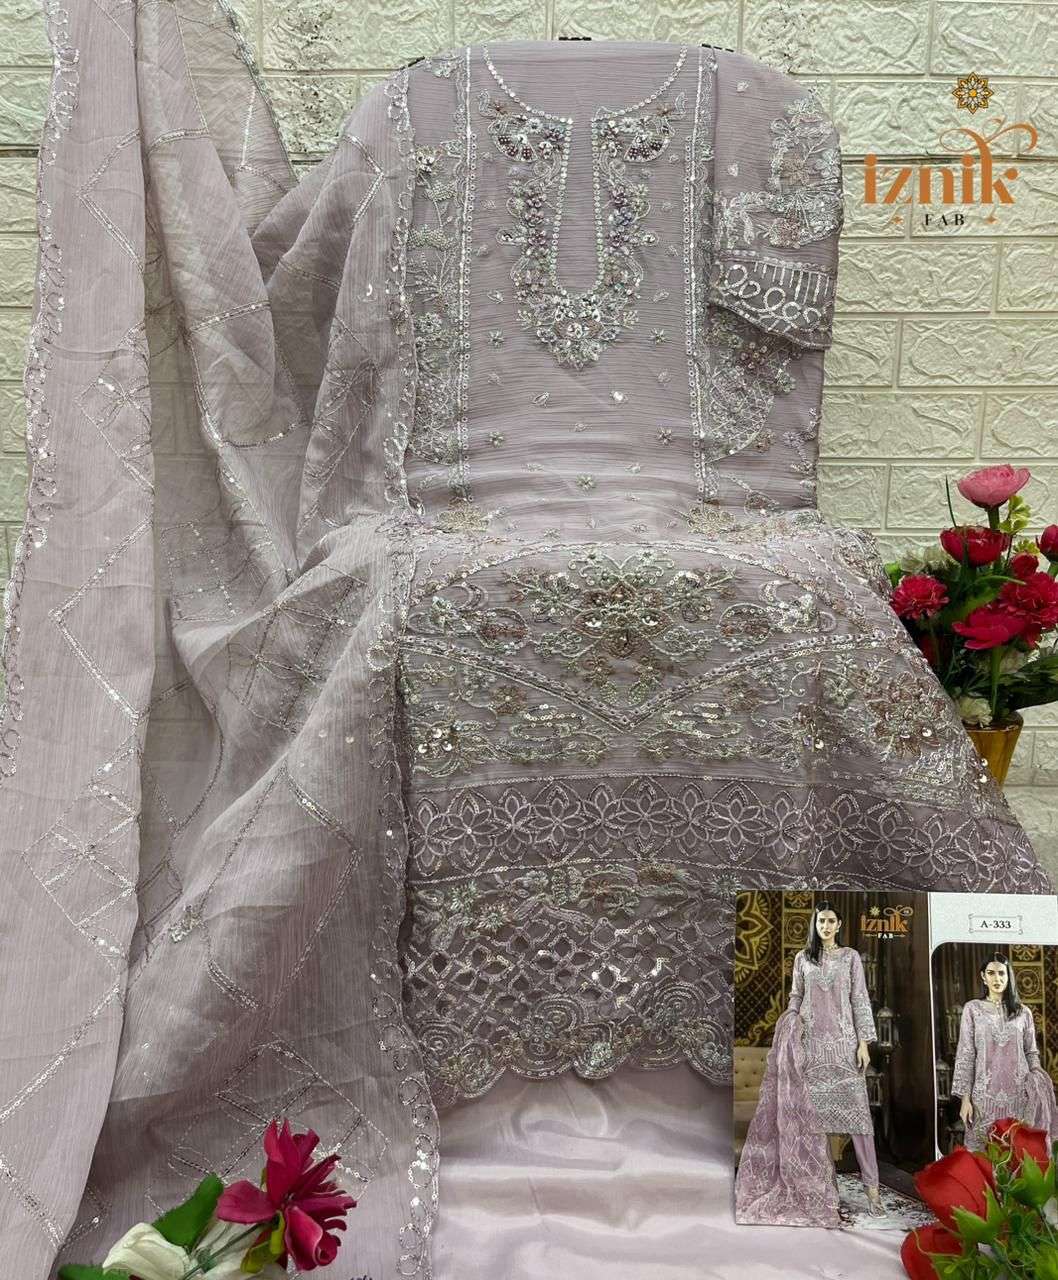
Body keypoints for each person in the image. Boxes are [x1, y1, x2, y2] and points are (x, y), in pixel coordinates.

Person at [787, 902, 885, 1216]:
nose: (825, 926)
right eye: (821, 921)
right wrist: (790, 1029)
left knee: (860, 1121)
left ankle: (872, 1191)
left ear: (839, 924)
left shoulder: (850, 957)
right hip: (811, 1047)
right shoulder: (803, 958)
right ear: (814, 924)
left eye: (830, 921)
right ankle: (827, 1187)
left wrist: (864, 1044)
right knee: (815, 1124)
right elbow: (796, 996)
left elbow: (860, 998)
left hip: (844, 1047)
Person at [951, 954, 1058, 1152]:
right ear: (983, 977)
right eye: (991, 973)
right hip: (983, 1099)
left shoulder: (1023, 1012)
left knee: (1016, 1154)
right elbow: (966, 1055)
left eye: (1002, 973)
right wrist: (965, 1100)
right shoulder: (972, 1009)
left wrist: (1037, 1084)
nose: (997, 978)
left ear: (1009, 976)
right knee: (982, 1157)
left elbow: (1031, 1052)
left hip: (1019, 1097)